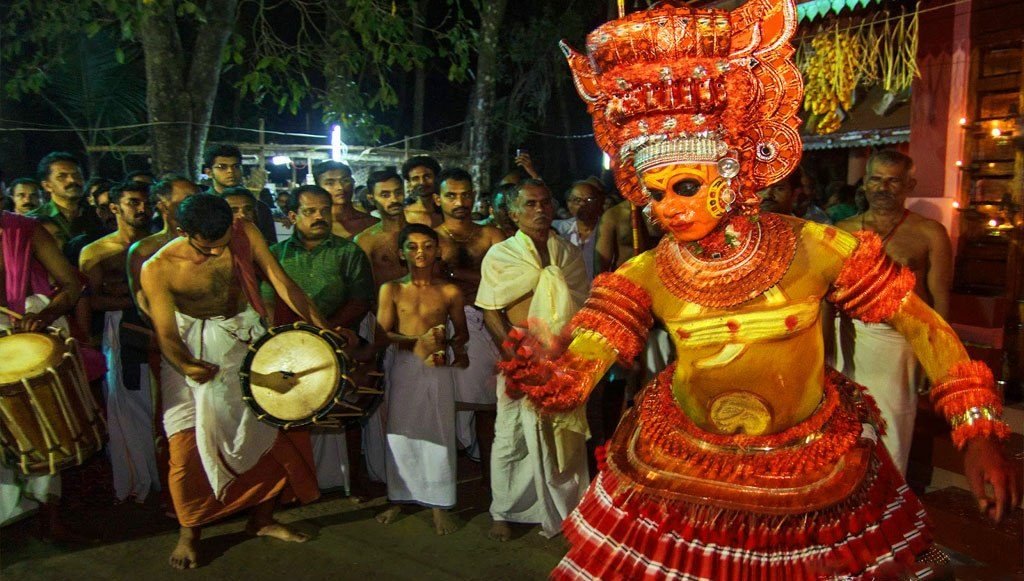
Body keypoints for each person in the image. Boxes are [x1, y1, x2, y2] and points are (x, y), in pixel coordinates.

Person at [505, 1, 1019, 578]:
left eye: (685, 186)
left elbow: (925, 326)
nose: (670, 208)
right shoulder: (644, 272)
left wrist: (977, 432)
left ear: (733, 173)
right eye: (655, 193)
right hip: (683, 479)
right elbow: (581, 370)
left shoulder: (815, 246)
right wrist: (548, 370)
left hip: (811, 478)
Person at [140, 194, 327, 569]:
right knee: (185, 447)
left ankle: (262, 520)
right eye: (206, 247)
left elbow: (282, 281)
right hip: (191, 349)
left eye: (223, 242)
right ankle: (189, 532)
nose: (216, 253)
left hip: (242, 337)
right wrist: (186, 365)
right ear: (183, 232)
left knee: (269, 432)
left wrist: (323, 330)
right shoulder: (157, 267)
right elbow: (166, 333)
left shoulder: (245, 232)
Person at [476, 179, 591, 542]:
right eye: (529, 204)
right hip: (519, 354)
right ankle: (504, 511)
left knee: (564, 436)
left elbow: (582, 306)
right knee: (510, 436)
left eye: (544, 202)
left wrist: (566, 354)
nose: (539, 210)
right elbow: (491, 311)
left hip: (562, 356)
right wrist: (514, 356)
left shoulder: (567, 253)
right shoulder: (501, 254)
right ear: (512, 212)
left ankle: (564, 509)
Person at [833, 150, 955, 474]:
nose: (882, 187)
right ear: (865, 183)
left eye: (893, 181)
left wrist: (937, 359)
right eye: (876, 179)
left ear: (909, 185)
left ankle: (888, 501)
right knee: (842, 426)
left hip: (898, 344)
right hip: (845, 338)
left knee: (893, 429)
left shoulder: (930, 233)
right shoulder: (841, 230)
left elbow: (940, 298)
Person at [262, 185, 374, 495]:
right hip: (288, 346)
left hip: (337, 340)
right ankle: (295, 486)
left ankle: (352, 482)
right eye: (310, 211)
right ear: (292, 216)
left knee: (345, 412)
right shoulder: (275, 255)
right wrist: (289, 339)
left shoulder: (348, 252)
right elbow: (268, 301)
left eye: (324, 210)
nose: (319, 217)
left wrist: (325, 332)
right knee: (290, 416)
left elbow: (360, 299)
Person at [374, 224, 468, 535]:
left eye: (428, 246)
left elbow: (462, 332)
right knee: (401, 430)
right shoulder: (392, 290)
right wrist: (415, 341)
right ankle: (400, 495)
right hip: (405, 364)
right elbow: (382, 333)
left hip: (436, 366)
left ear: (438, 250)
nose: (420, 253)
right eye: (412, 246)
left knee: (440, 429)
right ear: (401, 252)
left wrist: (452, 345)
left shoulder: (449, 291)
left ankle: (439, 503)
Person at [0, 210, 83, 539]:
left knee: (43, 429)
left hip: (27, 343)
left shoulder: (26, 230)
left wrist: (44, 314)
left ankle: (51, 521)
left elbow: (71, 285)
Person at [79, 180, 159, 503]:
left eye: (145, 202)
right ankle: (137, 480)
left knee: (159, 403)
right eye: (133, 203)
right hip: (120, 332)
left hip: (162, 329)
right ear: (114, 208)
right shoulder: (96, 251)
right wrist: (135, 300)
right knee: (128, 405)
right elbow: (89, 301)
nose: (141, 209)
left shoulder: (160, 245)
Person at [432, 168, 507, 466]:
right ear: (438, 199)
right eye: (451, 195)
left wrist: (455, 274)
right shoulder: (430, 239)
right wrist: (475, 280)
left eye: (465, 194)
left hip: (489, 320)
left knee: (487, 402)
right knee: (446, 403)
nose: (459, 201)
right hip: (448, 324)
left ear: (474, 197)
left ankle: (490, 472)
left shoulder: (491, 234)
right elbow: (433, 284)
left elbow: (504, 279)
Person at [202, 145, 277, 245]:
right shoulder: (201, 206)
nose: (230, 171)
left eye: (236, 166)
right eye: (222, 167)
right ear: (209, 172)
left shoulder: (259, 207)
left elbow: (271, 246)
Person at [28, 152, 103, 249]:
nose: (72, 180)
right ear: (47, 186)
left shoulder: (98, 215)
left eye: (77, 175)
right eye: (62, 176)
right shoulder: (34, 221)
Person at [355, 170, 409, 289]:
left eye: (398, 192)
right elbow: (363, 286)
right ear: (371, 198)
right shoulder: (366, 240)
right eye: (385, 195)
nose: (394, 199)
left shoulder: (420, 232)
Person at [553, 180, 606, 280]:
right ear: (569, 204)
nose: (583, 204)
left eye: (589, 199)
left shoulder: (609, 230)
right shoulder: (559, 229)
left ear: (599, 202)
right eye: (577, 200)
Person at [313, 160, 378, 240]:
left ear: (353, 183)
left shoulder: (372, 223)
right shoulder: (315, 226)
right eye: (330, 183)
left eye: (345, 180)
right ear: (318, 187)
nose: (340, 187)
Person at [401, 156, 442, 227]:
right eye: (415, 178)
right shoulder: (404, 215)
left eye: (427, 176)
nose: (422, 182)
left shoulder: (448, 211)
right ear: (409, 183)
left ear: (437, 178)